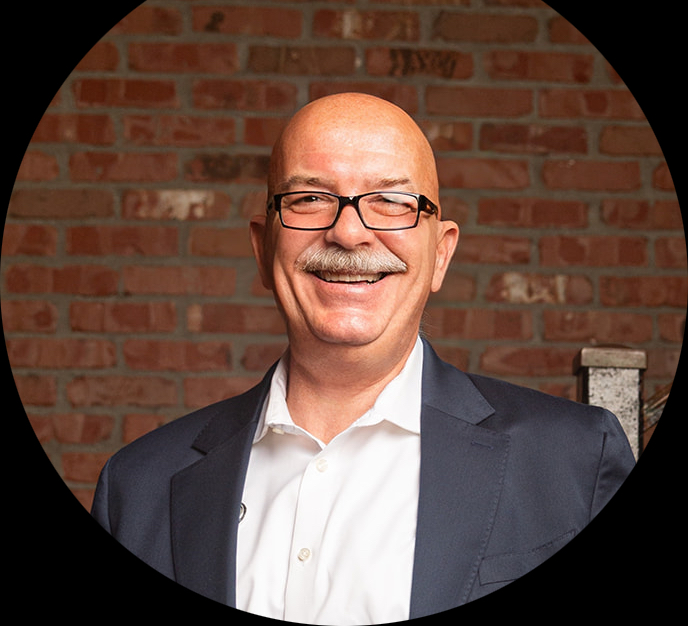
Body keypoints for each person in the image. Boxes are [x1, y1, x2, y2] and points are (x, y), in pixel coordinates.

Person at [91, 93, 635, 623]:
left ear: (440, 253)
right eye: (309, 198)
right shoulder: (136, 489)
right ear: (263, 248)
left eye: (392, 201)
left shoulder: (575, 464)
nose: (349, 232)